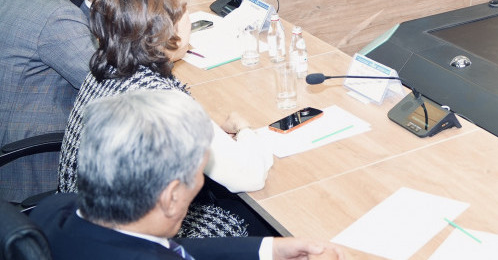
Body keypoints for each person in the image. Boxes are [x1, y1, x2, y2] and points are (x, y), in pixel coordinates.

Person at [58, 0, 274, 238]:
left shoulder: (105, 66)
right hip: (133, 236)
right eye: (185, 12)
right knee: (258, 220)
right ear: (165, 30)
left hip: (83, 221)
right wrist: (245, 130)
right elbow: (251, 175)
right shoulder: (164, 103)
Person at [34, 89, 343, 260]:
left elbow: (167, 250)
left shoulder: (54, 211)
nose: (200, 184)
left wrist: (269, 250)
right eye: (198, 177)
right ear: (171, 197)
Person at [0, 0, 97, 202]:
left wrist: (86, 2)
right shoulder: (55, 14)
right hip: (33, 162)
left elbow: (59, 40)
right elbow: (104, 81)